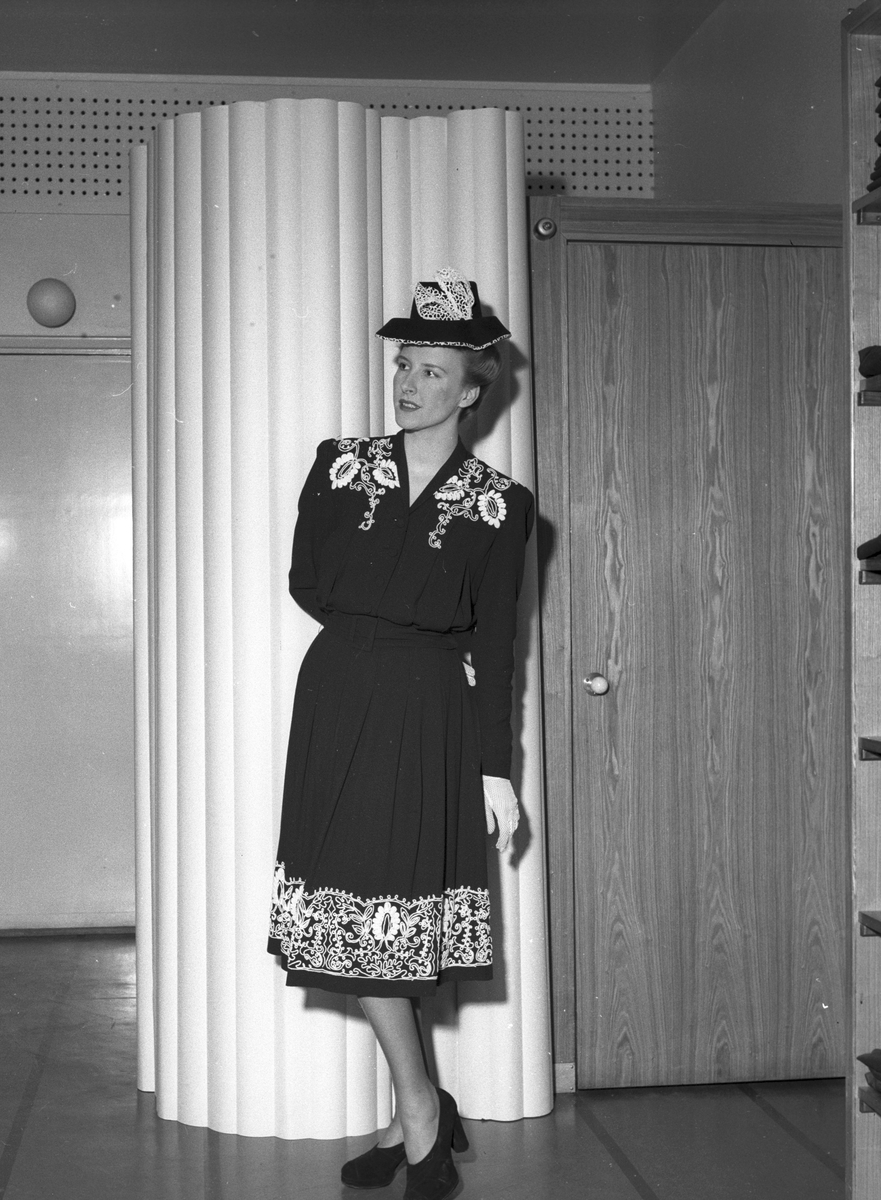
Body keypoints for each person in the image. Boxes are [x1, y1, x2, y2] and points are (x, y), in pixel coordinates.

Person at [267, 268, 534, 1200]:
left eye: (431, 371)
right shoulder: (340, 464)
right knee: (355, 916)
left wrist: (496, 769)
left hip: (431, 711)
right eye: (404, 365)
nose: (409, 384)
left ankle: (414, 1114)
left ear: (471, 391)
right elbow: (307, 580)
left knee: (398, 922)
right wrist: (384, 625)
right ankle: (422, 1110)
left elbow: (495, 645)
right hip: (340, 694)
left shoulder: (502, 503)